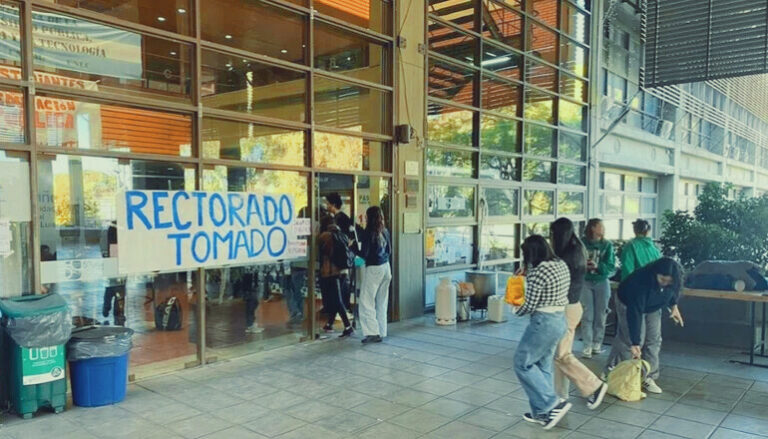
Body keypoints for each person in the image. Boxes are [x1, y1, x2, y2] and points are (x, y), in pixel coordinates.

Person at [514, 235, 572, 430]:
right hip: (559, 320)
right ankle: (542, 414)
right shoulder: (560, 264)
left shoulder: (538, 272)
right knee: (542, 365)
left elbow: (530, 305)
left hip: (543, 323)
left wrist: (515, 311)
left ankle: (552, 403)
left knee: (522, 363)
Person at [550, 218, 608, 409]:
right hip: (571, 307)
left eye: (552, 234)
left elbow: (557, 280)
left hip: (567, 308)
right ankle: (560, 396)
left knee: (562, 355)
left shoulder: (568, 255)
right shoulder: (577, 247)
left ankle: (594, 386)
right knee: (559, 355)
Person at [604, 257, 684, 394]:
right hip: (629, 304)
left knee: (654, 340)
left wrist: (674, 306)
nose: (665, 284)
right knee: (630, 340)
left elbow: (672, 292)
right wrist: (635, 342)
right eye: (662, 280)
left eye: (669, 282)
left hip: (653, 307)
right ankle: (618, 373)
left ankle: (648, 377)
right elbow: (634, 312)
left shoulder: (673, 282)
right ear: (655, 273)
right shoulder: (640, 281)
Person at [581, 218, 616, 359]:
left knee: (601, 314)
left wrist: (598, 267)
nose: (603, 228)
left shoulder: (607, 245)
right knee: (587, 314)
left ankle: (597, 343)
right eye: (600, 226)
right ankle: (587, 345)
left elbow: (611, 265)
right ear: (593, 228)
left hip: (601, 281)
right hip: (585, 281)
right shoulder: (582, 243)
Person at [357, 206, 392, 344]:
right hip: (386, 267)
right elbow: (389, 250)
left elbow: (364, 253)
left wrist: (352, 246)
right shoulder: (385, 231)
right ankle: (382, 331)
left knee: (366, 301)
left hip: (374, 269)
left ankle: (372, 333)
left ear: (369, 218)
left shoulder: (369, 232)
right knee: (382, 302)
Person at [318, 216, 354, 337]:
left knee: (337, 300)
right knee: (336, 298)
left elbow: (320, 253)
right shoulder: (342, 235)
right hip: (344, 271)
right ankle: (329, 324)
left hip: (332, 272)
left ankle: (348, 326)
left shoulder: (324, 236)